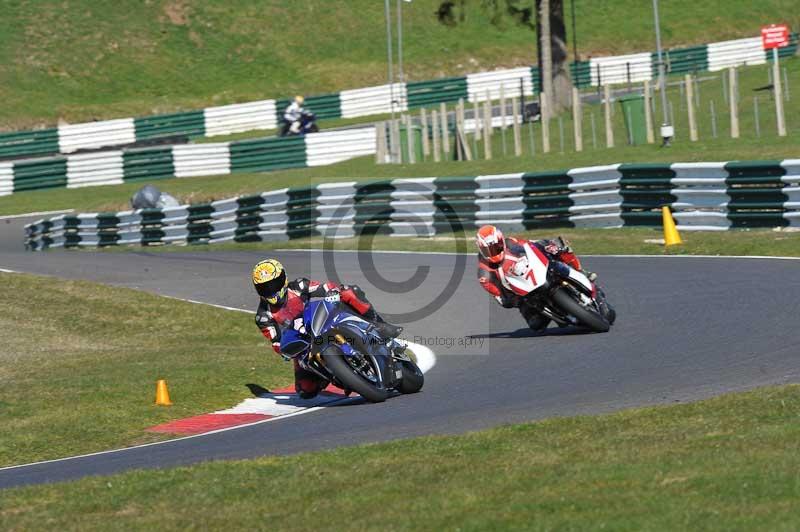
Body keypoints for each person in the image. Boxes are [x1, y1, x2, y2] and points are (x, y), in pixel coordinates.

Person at [252, 259, 402, 399]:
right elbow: (276, 342)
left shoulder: (299, 286)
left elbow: (323, 287)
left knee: (349, 291)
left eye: (273, 284)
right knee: (305, 390)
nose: (270, 290)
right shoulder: (263, 317)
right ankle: (337, 374)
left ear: (283, 279)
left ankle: (379, 325)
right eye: (264, 287)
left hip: (322, 321)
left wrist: (332, 291)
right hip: (304, 346)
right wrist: (285, 350)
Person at [475, 224, 600, 332]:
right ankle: (558, 314)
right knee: (536, 325)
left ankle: (580, 271)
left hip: (535, 271)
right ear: (481, 249)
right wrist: (514, 299)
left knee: (559, 246)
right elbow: (500, 298)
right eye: (488, 250)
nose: (493, 252)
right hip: (521, 294)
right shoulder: (484, 273)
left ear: (501, 241)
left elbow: (530, 245)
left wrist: (548, 246)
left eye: (495, 247)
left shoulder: (510, 242)